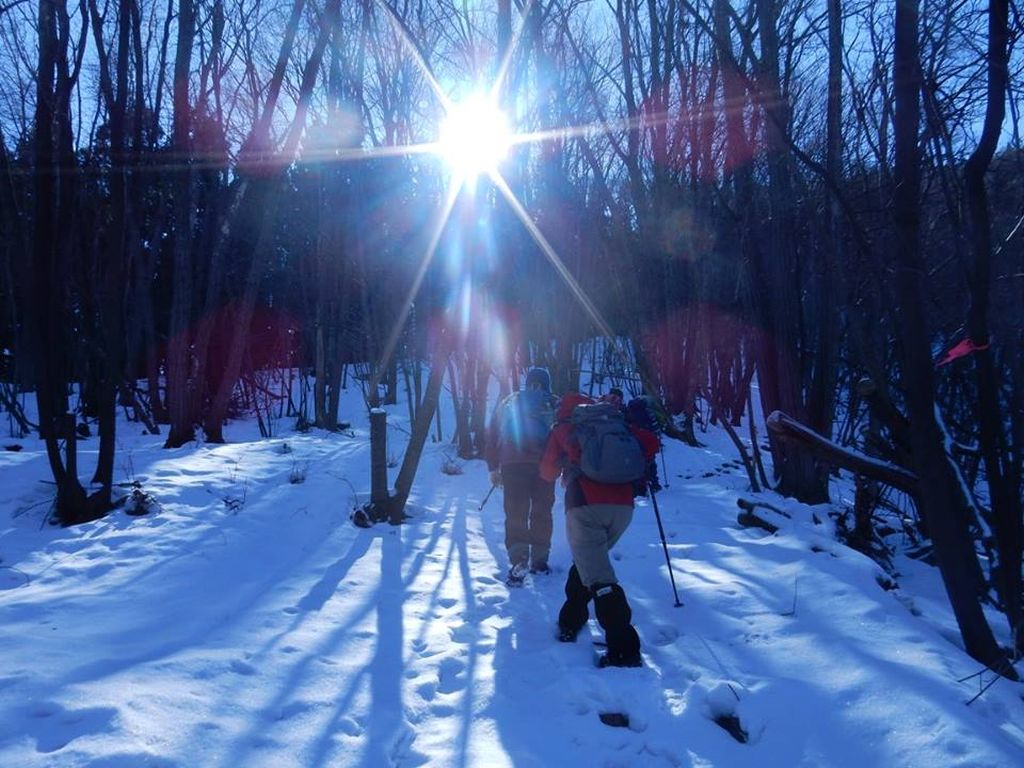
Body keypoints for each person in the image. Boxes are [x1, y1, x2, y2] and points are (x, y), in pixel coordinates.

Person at [539, 392, 660, 667]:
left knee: (600, 578)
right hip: (624, 508)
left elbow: (546, 472)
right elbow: (652, 443)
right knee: (588, 563)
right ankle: (570, 621)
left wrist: (563, 462)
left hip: (585, 507)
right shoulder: (614, 427)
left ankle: (624, 650)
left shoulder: (564, 429)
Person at [486, 367, 558, 586]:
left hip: (513, 463)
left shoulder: (510, 401)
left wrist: (493, 467)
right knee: (542, 511)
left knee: (516, 511)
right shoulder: (554, 402)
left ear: (529, 383)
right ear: (547, 383)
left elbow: (492, 435)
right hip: (545, 464)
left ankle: (518, 560)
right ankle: (539, 561)